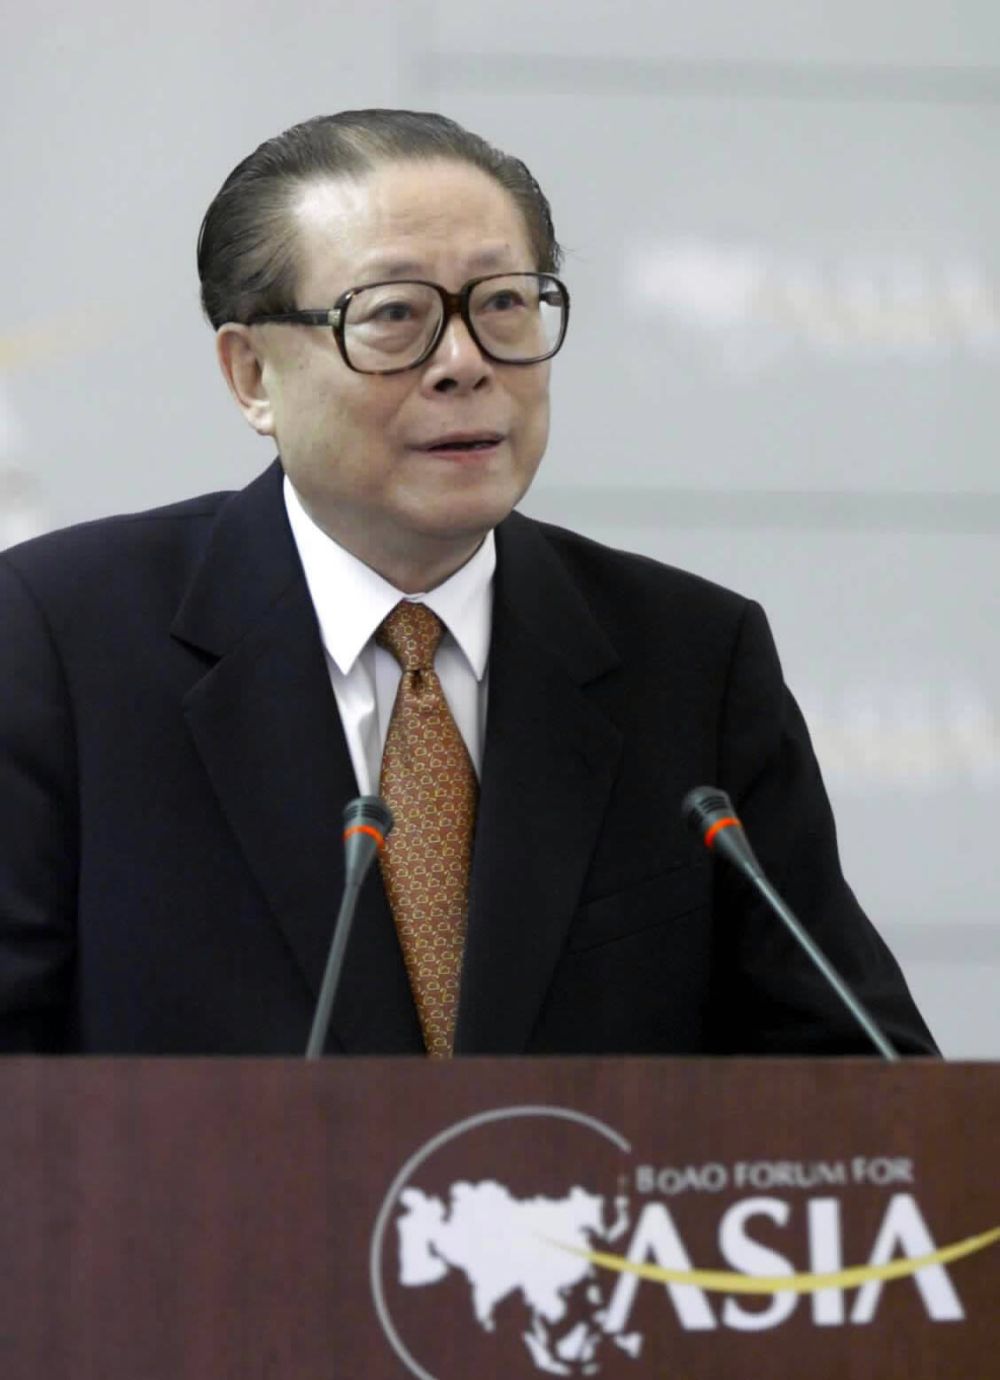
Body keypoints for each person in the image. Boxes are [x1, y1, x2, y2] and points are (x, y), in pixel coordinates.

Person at [0, 110, 935, 1057]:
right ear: (252, 376)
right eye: (394, 315)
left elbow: (861, 1076)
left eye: (504, 304)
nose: (465, 364)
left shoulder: (690, 659)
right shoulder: (57, 641)